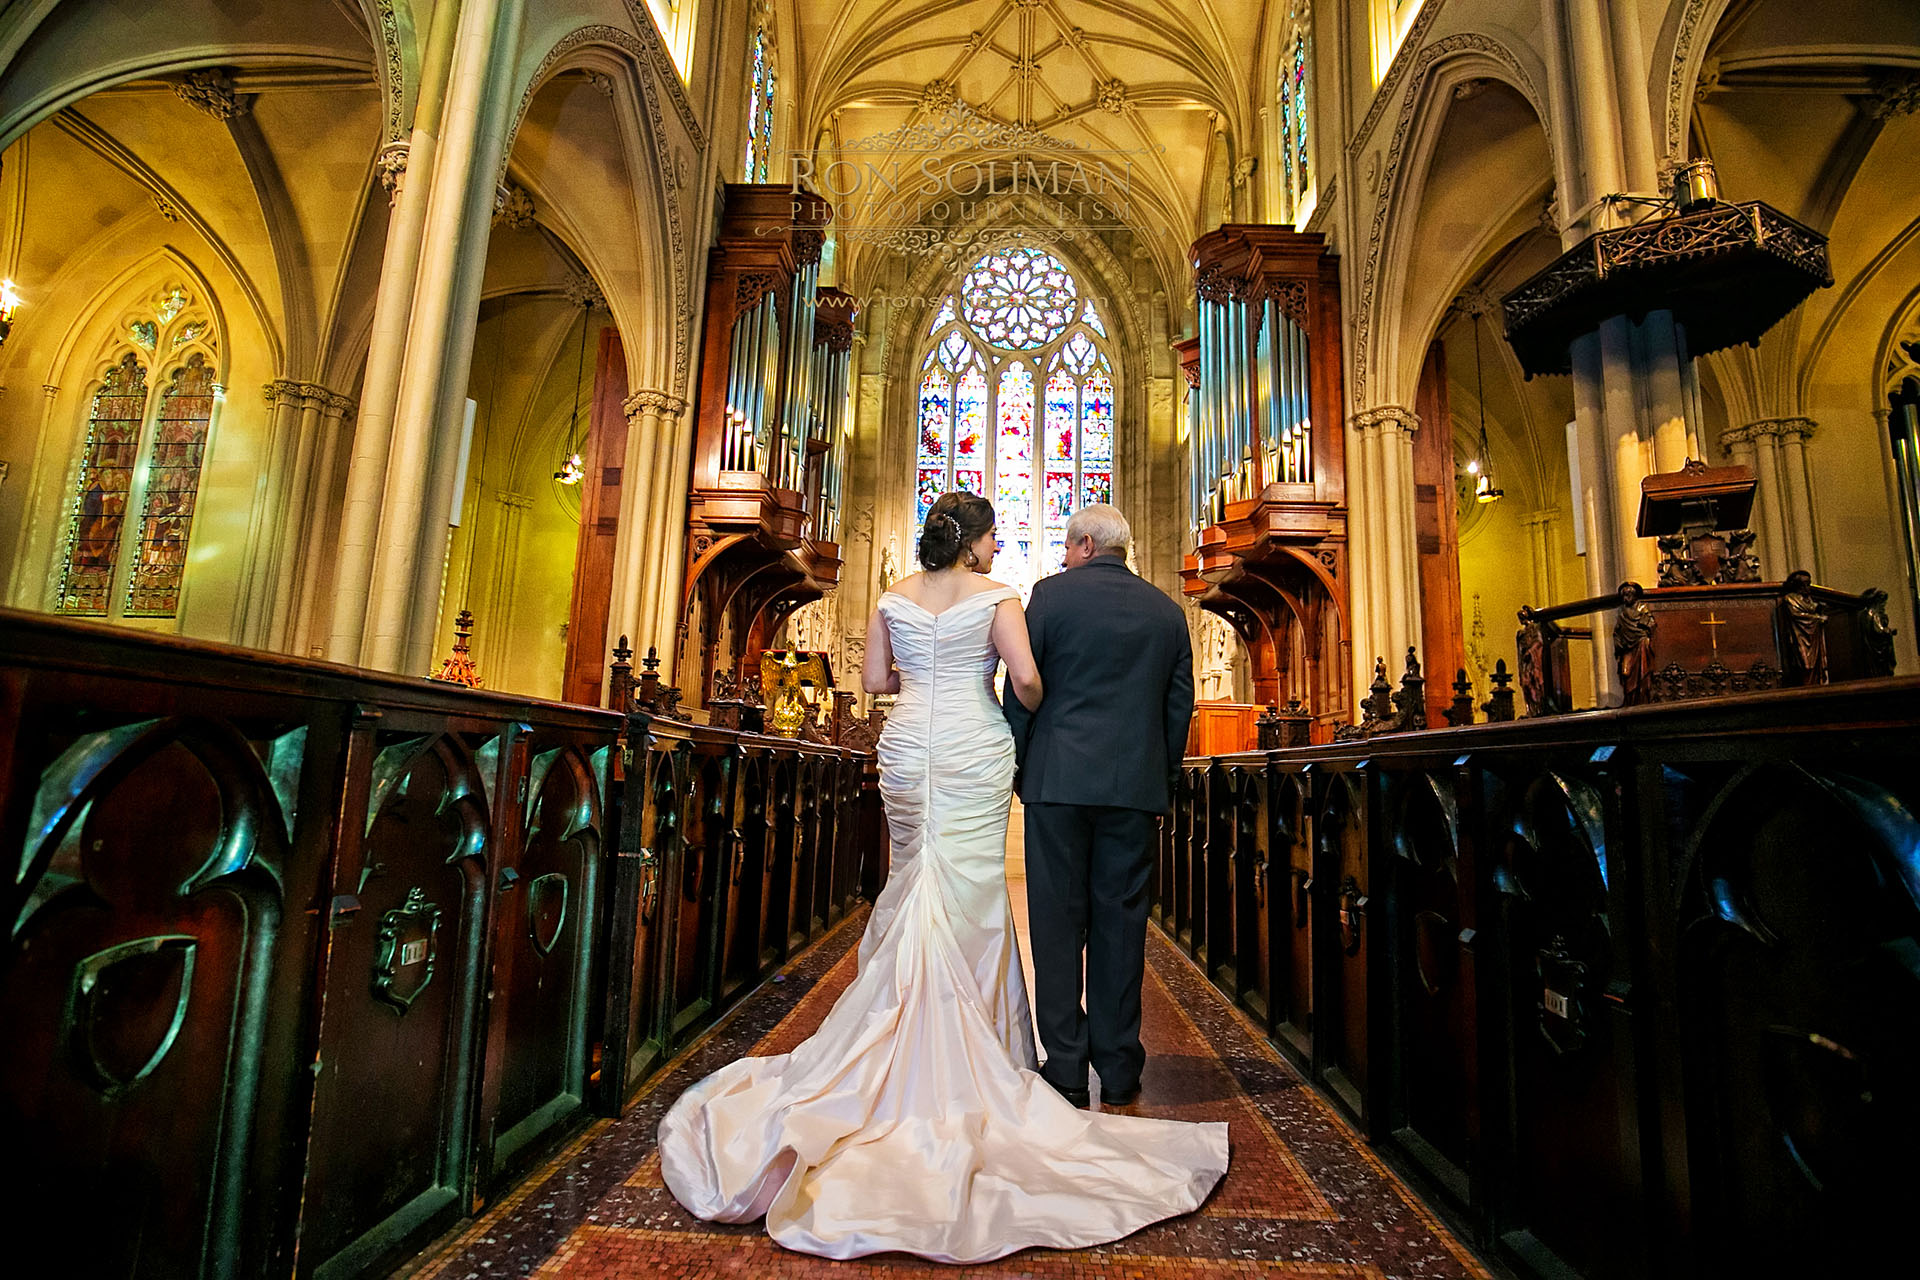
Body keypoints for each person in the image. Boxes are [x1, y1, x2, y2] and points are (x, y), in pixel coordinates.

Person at [657, 491, 1228, 1263]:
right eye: (994, 537)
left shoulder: (970, 598)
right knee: (1067, 911)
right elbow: (1110, 696)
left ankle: (1056, 1068)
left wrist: (1031, 750)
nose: (1010, 549)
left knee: (1006, 909)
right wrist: (1131, 765)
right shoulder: (1142, 610)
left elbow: (888, 684)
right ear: (974, 544)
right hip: (1054, 768)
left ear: (1080, 545)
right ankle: (1104, 1071)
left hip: (944, 755)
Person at [1003, 504, 1192, 1110]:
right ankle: (1117, 1068)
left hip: (1057, 783)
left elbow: (1023, 688)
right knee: (1122, 924)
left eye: (1066, 546)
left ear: (1086, 543)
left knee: (1056, 925)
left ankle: (1063, 1064)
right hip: (1132, 790)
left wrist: (1020, 764)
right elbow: (1176, 707)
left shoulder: (1050, 599)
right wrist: (1157, 780)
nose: (1063, 556)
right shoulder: (1167, 612)